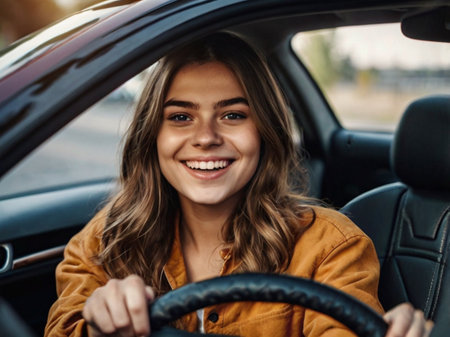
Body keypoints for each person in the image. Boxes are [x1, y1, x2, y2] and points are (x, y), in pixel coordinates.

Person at [44, 33, 434, 337]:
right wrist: (96, 327)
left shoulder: (331, 247)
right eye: (181, 117)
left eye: (232, 114)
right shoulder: (104, 240)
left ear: (264, 131)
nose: (206, 137)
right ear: (152, 137)